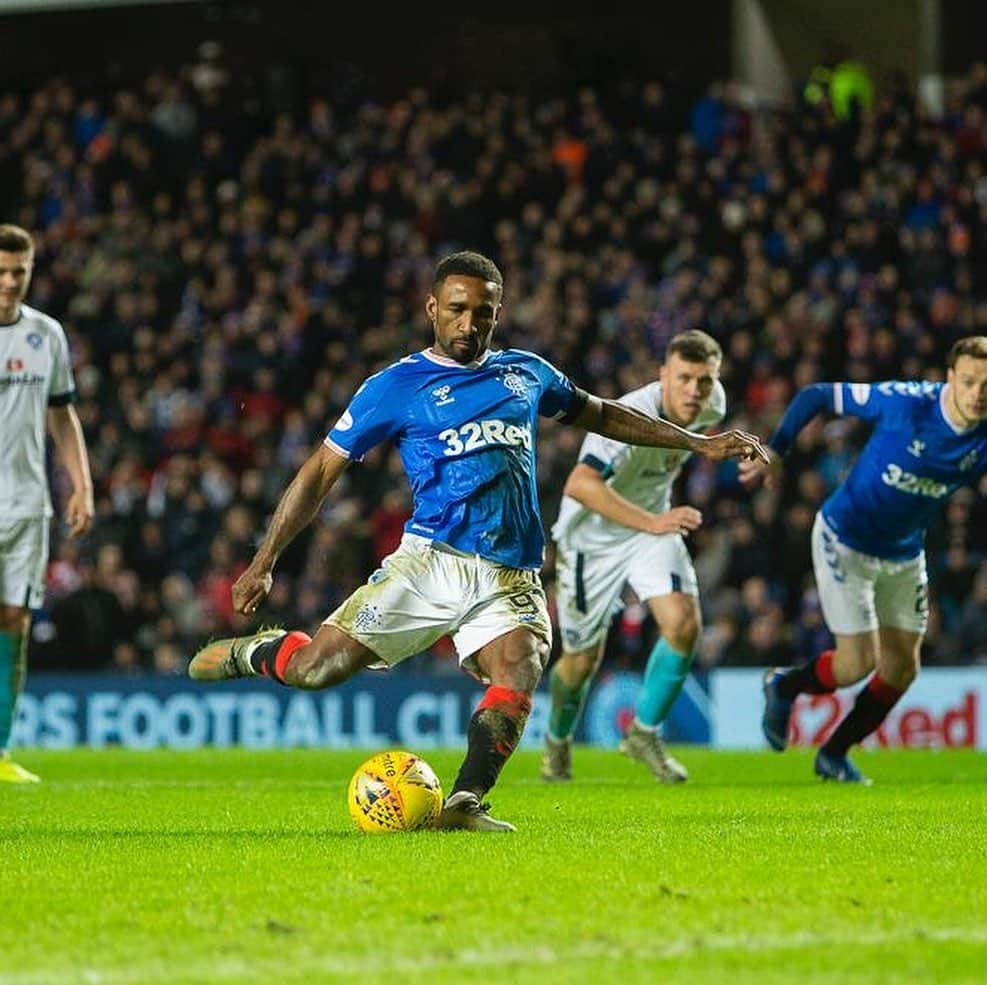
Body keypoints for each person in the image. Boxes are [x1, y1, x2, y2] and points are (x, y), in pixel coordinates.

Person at [189, 251, 767, 831]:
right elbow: (319, 471)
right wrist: (264, 561)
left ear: (498, 313)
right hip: (429, 562)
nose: (469, 324)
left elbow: (603, 414)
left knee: (523, 663)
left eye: (483, 313)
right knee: (315, 671)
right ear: (433, 308)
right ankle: (259, 652)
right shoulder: (396, 386)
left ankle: (466, 801)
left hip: (510, 574)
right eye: (458, 310)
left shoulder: (526, 372)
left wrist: (697, 444)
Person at [741, 337, 987, 784]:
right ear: (950, 378)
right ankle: (785, 685)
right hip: (845, 539)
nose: (977, 394)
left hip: (904, 552)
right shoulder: (905, 403)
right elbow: (816, 394)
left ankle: (833, 754)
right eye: (969, 381)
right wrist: (776, 451)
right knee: (857, 664)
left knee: (902, 667)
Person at [542, 329, 726, 784]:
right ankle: (557, 741)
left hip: (649, 529)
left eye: (704, 380)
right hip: (593, 539)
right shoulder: (629, 417)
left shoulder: (713, 405)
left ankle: (643, 734)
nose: (694, 391)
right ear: (663, 375)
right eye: (684, 378)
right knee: (582, 660)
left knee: (684, 625)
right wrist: (655, 522)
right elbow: (580, 485)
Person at [0, 224, 94, 783]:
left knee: (13, 622)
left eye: (19, 272)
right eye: (2, 272)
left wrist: (80, 483)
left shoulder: (45, 335)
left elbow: (62, 413)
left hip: (27, 503)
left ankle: (1, 750)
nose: (10, 282)